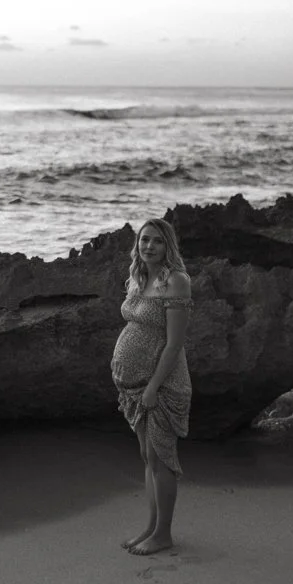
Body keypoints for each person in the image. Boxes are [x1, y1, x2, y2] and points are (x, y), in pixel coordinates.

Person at [111, 217, 192, 556]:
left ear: (168, 245)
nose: (149, 246)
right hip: (135, 385)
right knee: (149, 458)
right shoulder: (139, 278)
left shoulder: (175, 281)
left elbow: (174, 344)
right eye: (144, 240)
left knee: (162, 458)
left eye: (157, 241)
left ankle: (164, 534)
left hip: (162, 384)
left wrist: (153, 387)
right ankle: (152, 526)